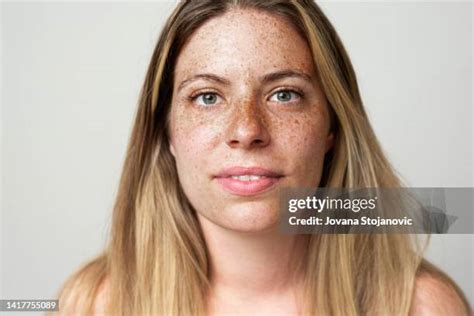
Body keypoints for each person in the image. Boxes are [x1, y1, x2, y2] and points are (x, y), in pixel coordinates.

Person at [54, 0, 471, 315]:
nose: (246, 130)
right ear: (166, 132)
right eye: (207, 97)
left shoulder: (420, 307)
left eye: (284, 94)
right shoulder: (96, 304)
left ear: (331, 126)